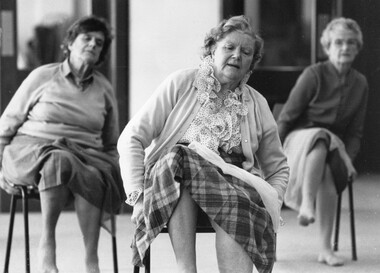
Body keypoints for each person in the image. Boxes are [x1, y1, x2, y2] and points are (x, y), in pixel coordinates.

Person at [118, 15, 289, 273]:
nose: (236, 56)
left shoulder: (257, 103)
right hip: (174, 182)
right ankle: (186, 270)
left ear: (252, 63)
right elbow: (131, 137)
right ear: (212, 49)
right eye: (229, 47)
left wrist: (272, 201)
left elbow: (278, 168)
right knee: (179, 157)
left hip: (232, 186)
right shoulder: (181, 83)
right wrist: (138, 197)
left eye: (246, 52)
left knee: (239, 197)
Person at [0, 15, 125, 273]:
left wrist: (111, 169)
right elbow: (7, 124)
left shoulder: (104, 88)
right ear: (69, 43)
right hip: (31, 150)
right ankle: (47, 243)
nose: (92, 44)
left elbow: (111, 142)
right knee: (60, 159)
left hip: (84, 157)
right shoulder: (42, 76)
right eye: (86, 38)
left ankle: (92, 259)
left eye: (99, 42)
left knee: (94, 173)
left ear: (102, 52)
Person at [276, 17, 368, 266]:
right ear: (327, 47)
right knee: (321, 137)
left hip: (331, 147)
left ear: (357, 48)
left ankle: (326, 249)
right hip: (297, 142)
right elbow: (286, 118)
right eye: (338, 42)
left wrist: (348, 160)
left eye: (350, 43)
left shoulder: (360, 83)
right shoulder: (313, 75)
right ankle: (307, 203)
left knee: (331, 169)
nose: (345, 48)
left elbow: (355, 133)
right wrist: (271, 156)